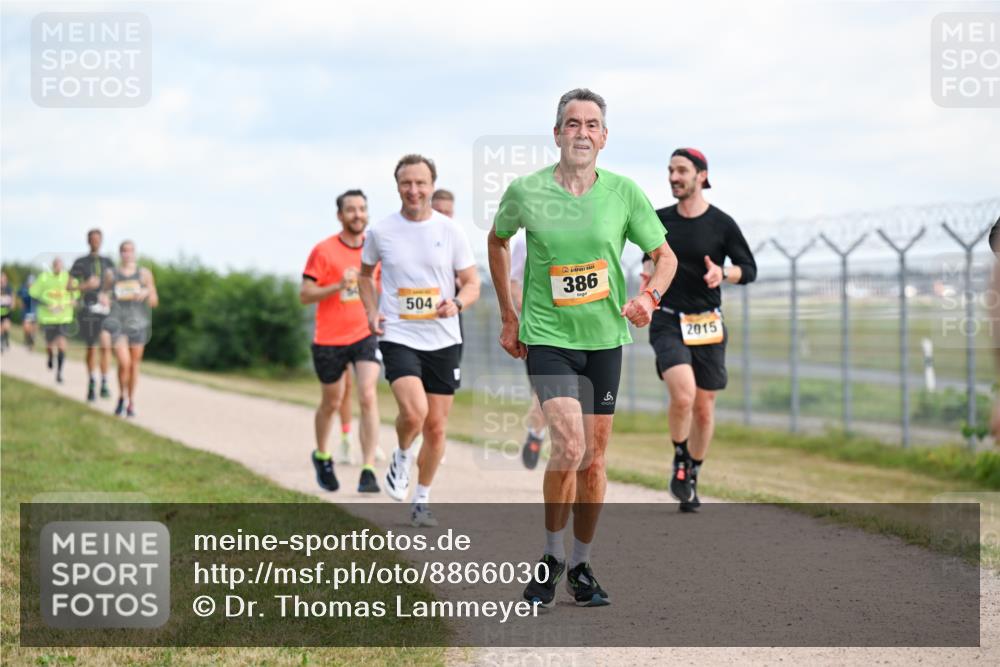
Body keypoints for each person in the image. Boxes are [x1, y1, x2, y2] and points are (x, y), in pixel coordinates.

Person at [487, 88, 677, 608]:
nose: (582, 132)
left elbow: (665, 257)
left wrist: (650, 296)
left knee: (593, 460)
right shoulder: (527, 191)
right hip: (547, 336)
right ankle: (551, 555)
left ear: (605, 137)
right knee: (568, 446)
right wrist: (509, 313)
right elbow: (498, 241)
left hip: (605, 339)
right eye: (573, 123)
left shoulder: (623, 193)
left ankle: (582, 565)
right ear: (557, 134)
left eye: (592, 124)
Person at [359, 154, 480, 527]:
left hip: (443, 337)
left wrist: (458, 302)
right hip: (399, 332)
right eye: (406, 183)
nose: (413, 190)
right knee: (414, 413)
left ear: (431, 185)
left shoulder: (450, 231)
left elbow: (472, 282)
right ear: (397, 186)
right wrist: (370, 310)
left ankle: (422, 499)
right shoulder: (381, 232)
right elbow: (365, 276)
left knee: (437, 427)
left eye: (420, 183)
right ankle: (401, 453)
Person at [641, 148, 757, 513]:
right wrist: (646, 284)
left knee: (704, 410)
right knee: (684, 396)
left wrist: (723, 273)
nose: (674, 177)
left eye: (681, 171)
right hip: (668, 320)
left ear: (702, 176)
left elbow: (748, 268)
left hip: (707, 322)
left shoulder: (721, 224)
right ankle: (679, 457)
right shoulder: (658, 220)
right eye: (670, 171)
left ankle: (693, 473)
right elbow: (648, 258)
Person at [300, 189, 384, 494]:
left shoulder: (375, 250)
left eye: (362, 208)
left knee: (367, 395)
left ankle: (368, 470)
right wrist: (338, 285)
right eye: (351, 209)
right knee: (332, 402)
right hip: (330, 339)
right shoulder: (323, 251)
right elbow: (305, 294)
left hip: (365, 333)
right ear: (340, 215)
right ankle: (322, 455)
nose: (357, 214)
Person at [103, 241, 158, 418]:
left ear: (134, 253)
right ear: (120, 254)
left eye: (130, 250)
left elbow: (154, 301)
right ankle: (121, 396)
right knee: (124, 363)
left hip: (138, 324)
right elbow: (103, 293)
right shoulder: (112, 274)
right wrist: (104, 299)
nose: (127, 254)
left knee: (134, 365)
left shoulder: (144, 274)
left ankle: (130, 402)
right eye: (124, 251)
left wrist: (147, 293)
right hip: (118, 323)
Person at [510, 234, 548, 469]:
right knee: (544, 391)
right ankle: (536, 433)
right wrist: (526, 309)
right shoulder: (525, 240)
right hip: (541, 328)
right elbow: (513, 281)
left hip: (580, 329)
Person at [70, 229, 116, 402]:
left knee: (106, 344)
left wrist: (108, 297)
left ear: (101, 241)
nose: (95, 242)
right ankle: (91, 381)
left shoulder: (108, 262)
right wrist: (85, 285)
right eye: (92, 239)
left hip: (104, 310)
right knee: (92, 348)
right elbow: (69, 287)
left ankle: (104, 382)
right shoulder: (80, 262)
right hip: (88, 310)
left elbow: (114, 285)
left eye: (98, 239)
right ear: (88, 241)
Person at [30, 257, 77, 383]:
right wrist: (46, 304)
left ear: (62, 266)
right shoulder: (44, 277)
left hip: (64, 318)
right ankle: (50, 356)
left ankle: (59, 373)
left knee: (62, 344)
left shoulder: (68, 278)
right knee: (50, 345)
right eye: (55, 264)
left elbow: (76, 295)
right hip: (48, 319)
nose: (57, 266)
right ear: (52, 265)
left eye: (60, 264)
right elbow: (33, 294)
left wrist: (71, 302)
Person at [17, 275, 37, 350]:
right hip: (26, 311)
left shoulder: (37, 290)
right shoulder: (23, 288)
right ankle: (28, 338)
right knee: (26, 327)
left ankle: (32, 340)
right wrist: (19, 303)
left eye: (32, 283)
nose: (30, 284)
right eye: (29, 283)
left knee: (33, 328)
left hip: (35, 311)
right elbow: (18, 295)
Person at [0, 271, 12, 352]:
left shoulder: (8, 288)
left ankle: (6, 338)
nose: (2, 279)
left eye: (3, 278)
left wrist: (12, 305)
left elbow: (12, 298)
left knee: (6, 327)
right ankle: (1, 342)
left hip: (7, 311)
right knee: (0, 328)